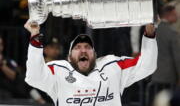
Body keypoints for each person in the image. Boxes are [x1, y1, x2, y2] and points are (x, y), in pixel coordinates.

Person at [24, 20, 158, 106]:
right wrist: (35, 36)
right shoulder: (58, 70)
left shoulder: (112, 66)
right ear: (69, 57)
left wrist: (150, 33)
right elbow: (33, 76)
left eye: (88, 47)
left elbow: (147, 66)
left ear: (95, 55)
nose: (83, 50)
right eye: (77, 48)